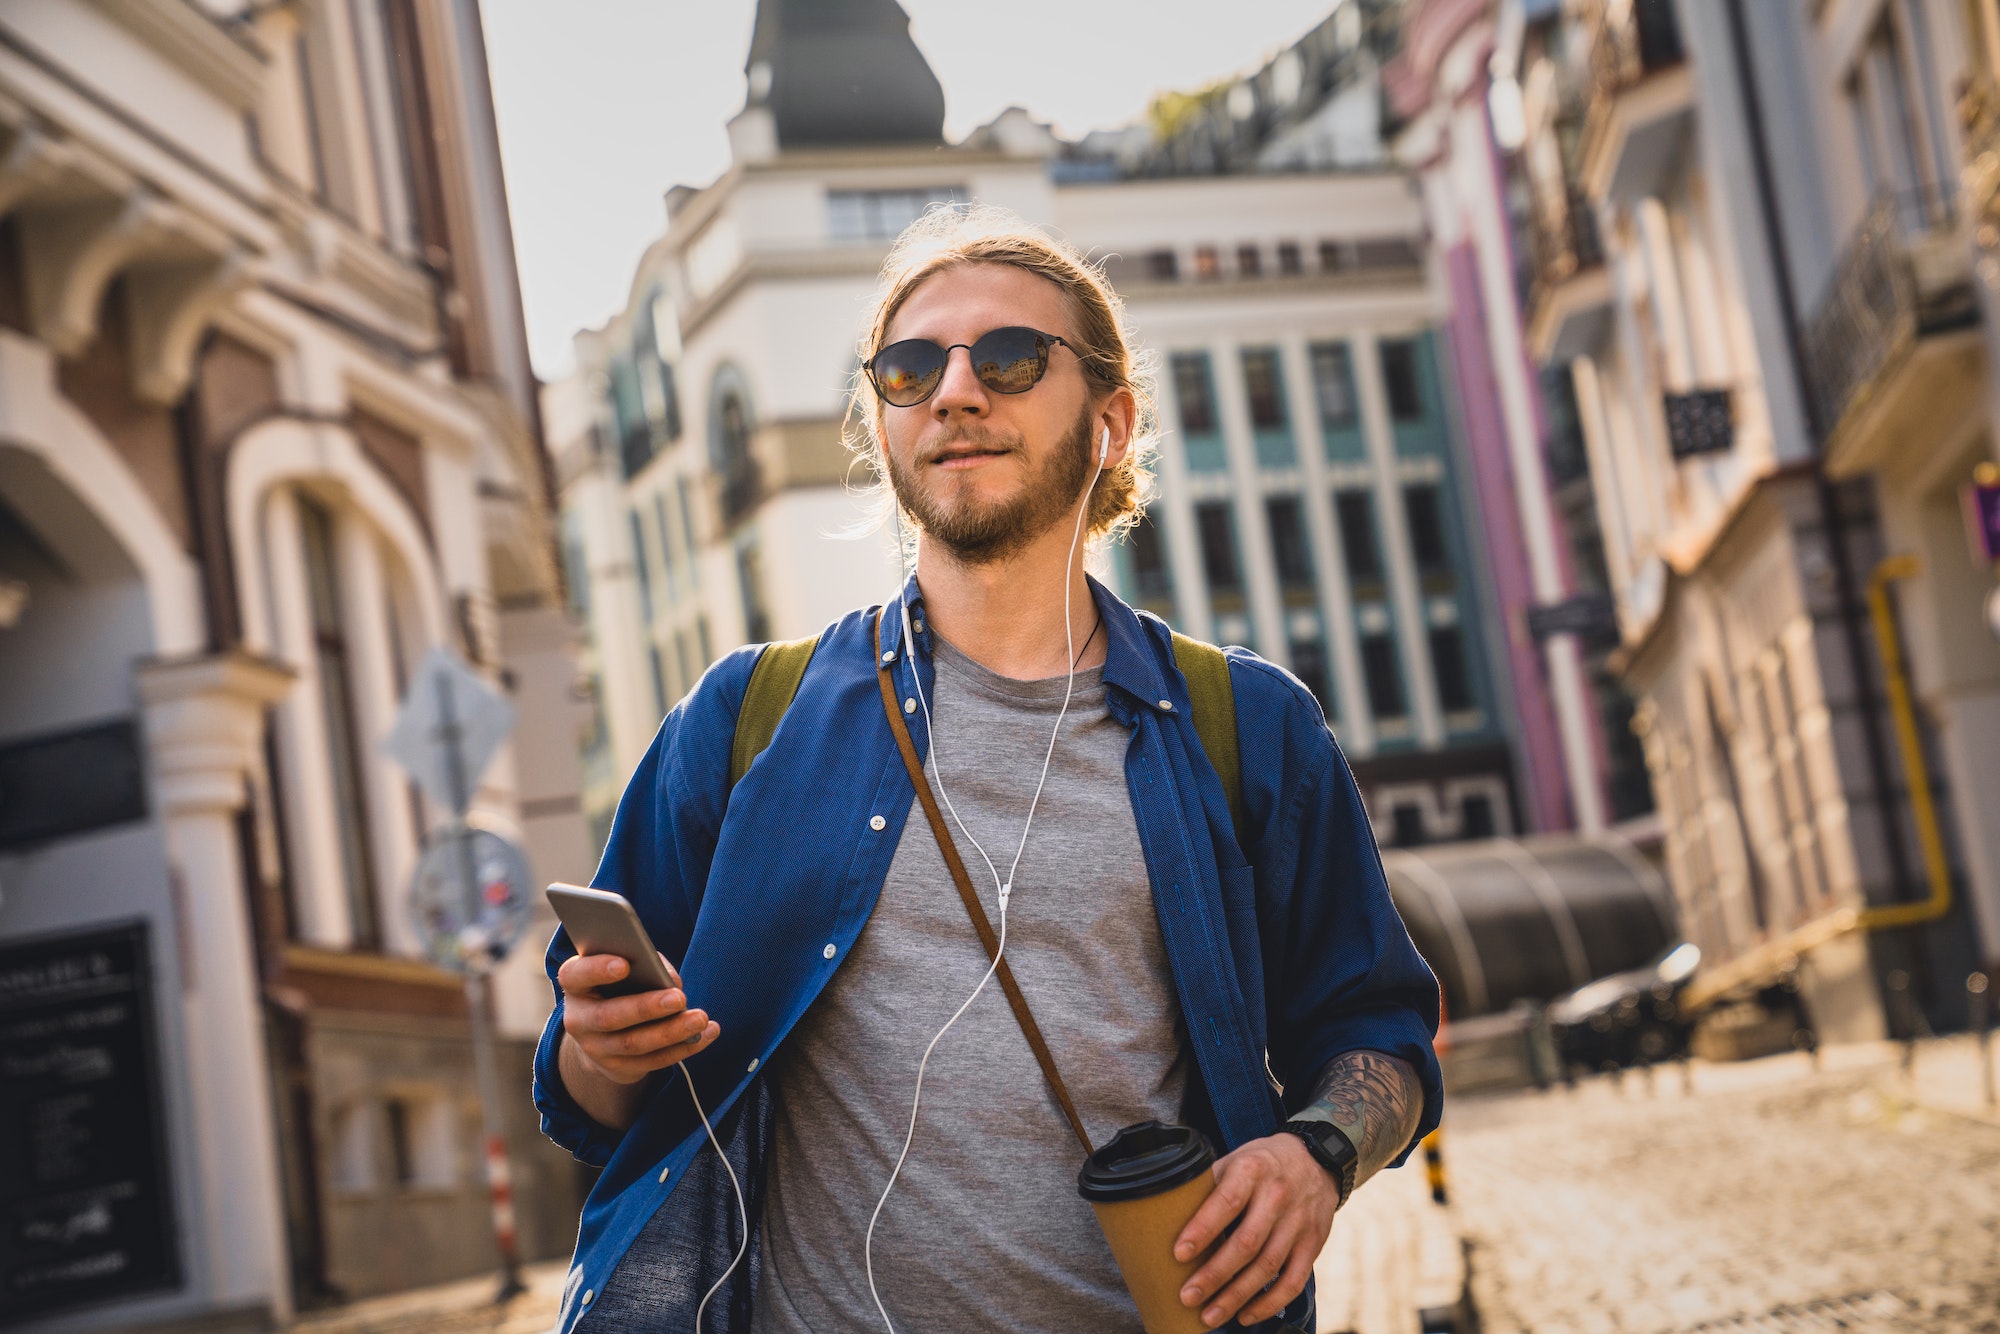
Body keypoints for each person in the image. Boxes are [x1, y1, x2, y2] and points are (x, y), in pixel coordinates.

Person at [534, 210, 1442, 1334]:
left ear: (1108, 422)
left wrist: (1319, 1155)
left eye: (1008, 359)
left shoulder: (1245, 724)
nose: (955, 392)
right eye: (910, 368)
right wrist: (597, 1045)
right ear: (882, 419)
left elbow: (1379, 1028)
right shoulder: (739, 720)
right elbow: (594, 1100)